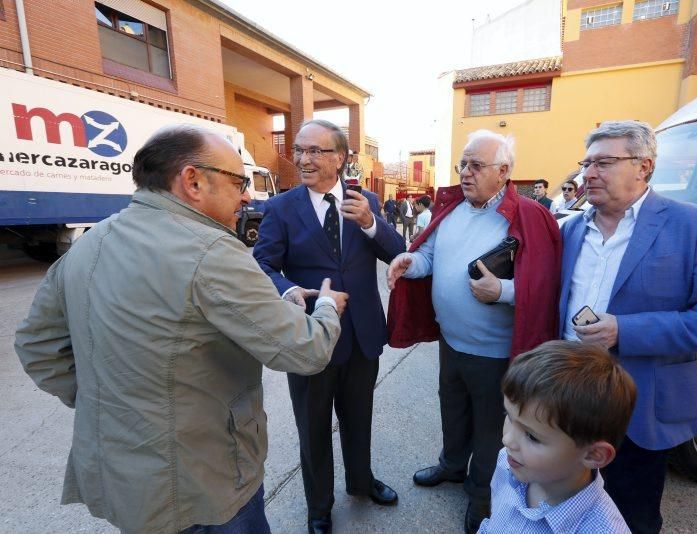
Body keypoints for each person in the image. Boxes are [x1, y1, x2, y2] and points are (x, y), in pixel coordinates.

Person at [14, 125, 347, 533]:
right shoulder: (214, 251)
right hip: (206, 483)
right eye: (239, 181)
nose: (246, 195)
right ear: (192, 180)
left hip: (127, 481)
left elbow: (37, 345)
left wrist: (106, 401)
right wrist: (327, 306)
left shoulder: (90, 242)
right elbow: (305, 351)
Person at [560, 120, 697, 533]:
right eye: (586, 163)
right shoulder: (572, 228)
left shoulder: (696, 224)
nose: (588, 174)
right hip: (568, 396)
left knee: (631, 516)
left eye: (604, 163)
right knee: (569, 507)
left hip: (638, 404)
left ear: (644, 166)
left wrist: (624, 331)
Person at [386, 129, 561, 534]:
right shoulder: (451, 211)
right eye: (462, 164)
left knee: (491, 428)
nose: (465, 172)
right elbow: (429, 255)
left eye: (476, 165)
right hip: (452, 342)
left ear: (503, 172)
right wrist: (409, 262)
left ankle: (482, 493)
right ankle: (450, 465)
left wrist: (503, 290)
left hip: (496, 351)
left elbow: (547, 284)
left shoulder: (528, 216)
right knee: (453, 409)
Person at [253, 119, 405, 534]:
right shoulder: (281, 208)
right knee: (313, 427)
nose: (303, 158)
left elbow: (398, 253)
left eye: (316, 151)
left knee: (359, 417)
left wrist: (371, 224)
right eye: (299, 150)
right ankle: (318, 506)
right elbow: (262, 265)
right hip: (309, 339)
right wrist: (296, 293)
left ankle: (361, 482)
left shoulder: (365, 200)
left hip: (362, 335)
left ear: (340, 158)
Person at [480, 340, 637, 534]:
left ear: (594, 455)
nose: (508, 441)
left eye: (531, 436)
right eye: (509, 418)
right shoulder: (507, 462)